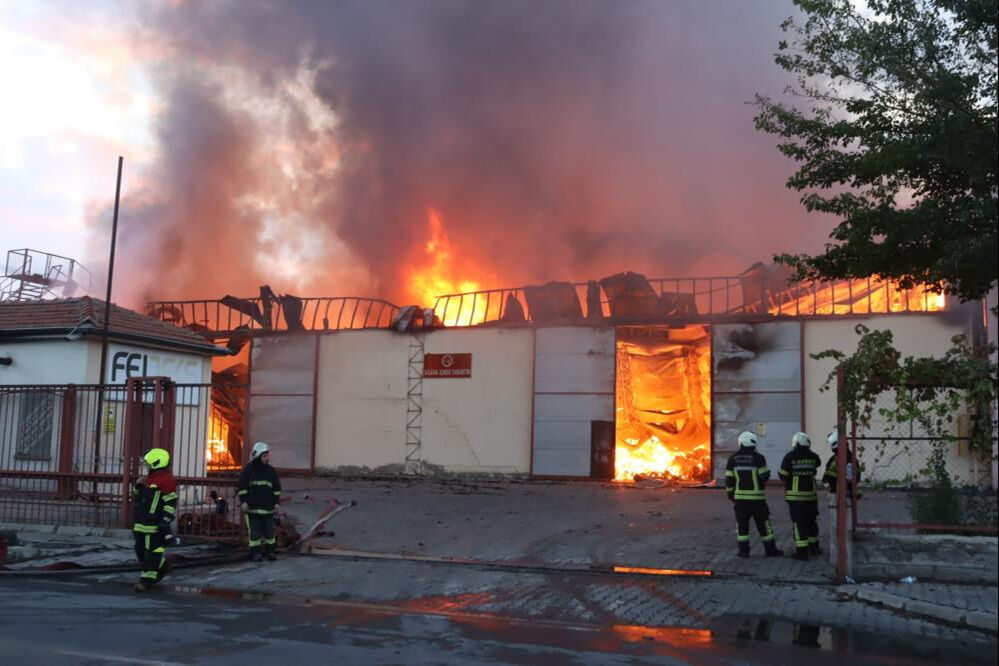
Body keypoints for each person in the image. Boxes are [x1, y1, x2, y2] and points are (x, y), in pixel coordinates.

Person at [725, 431, 783, 558]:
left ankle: (744, 552)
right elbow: (765, 476)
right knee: (764, 525)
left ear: (740, 442)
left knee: (742, 526)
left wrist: (731, 495)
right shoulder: (759, 458)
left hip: (740, 500)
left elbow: (729, 480)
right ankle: (771, 550)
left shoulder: (732, 458)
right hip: (757, 499)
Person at [132, 447, 178, 592]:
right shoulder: (149, 479)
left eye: (148, 464)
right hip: (141, 523)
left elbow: (171, 503)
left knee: (153, 552)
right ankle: (163, 567)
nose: (146, 466)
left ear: (157, 463)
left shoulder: (166, 481)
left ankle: (145, 581)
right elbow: (138, 497)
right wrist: (138, 485)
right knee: (139, 550)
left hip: (154, 525)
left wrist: (165, 520)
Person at [778, 432, 823, 560]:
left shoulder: (790, 457)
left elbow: (782, 475)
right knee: (811, 522)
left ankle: (802, 552)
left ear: (795, 443)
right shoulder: (813, 456)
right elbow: (817, 465)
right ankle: (814, 548)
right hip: (811, 497)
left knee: (799, 524)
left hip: (795, 497)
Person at [238, 441, 282, 561]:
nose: (267, 458)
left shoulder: (271, 471)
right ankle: (256, 553)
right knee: (255, 534)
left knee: (270, 533)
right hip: (253, 510)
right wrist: (244, 501)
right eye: (264, 456)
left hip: (268, 509)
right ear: (257, 456)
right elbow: (242, 487)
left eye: (267, 455)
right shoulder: (249, 470)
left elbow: (276, 488)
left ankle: (271, 552)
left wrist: (276, 503)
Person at [822, 429, 863, 499]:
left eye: (832, 444)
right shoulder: (852, 457)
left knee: (834, 508)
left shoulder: (836, 459)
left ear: (836, 443)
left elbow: (828, 477)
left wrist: (828, 486)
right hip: (851, 492)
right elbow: (856, 476)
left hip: (839, 493)